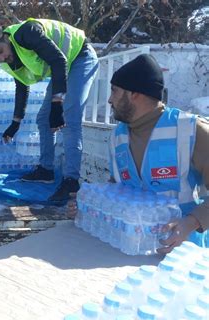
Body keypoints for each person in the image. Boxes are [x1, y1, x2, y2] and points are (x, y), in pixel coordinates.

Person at [70, 54, 209, 253]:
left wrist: (191, 222)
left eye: (114, 91)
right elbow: (119, 190)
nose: (109, 99)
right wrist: (89, 205)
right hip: (130, 251)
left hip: (184, 257)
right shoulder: (117, 137)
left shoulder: (192, 130)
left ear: (135, 94)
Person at [0, 18, 99, 203]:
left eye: (0, 52)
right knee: (43, 118)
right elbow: (22, 86)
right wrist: (15, 123)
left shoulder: (27, 33)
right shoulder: (9, 59)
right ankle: (46, 170)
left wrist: (57, 105)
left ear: (5, 37)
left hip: (80, 57)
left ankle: (71, 182)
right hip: (62, 66)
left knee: (69, 118)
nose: (1, 58)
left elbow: (59, 60)